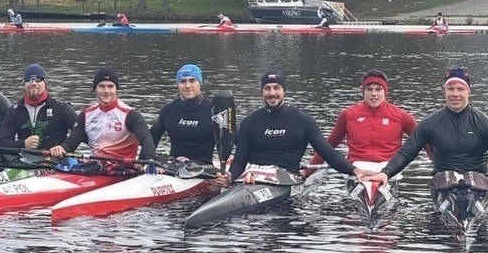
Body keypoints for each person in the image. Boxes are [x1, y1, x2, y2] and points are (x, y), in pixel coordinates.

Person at [361, 67, 488, 215]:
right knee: (448, 179)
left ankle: (466, 211)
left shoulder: (484, 123)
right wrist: (385, 173)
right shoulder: (431, 123)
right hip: (444, 182)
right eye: (451, 89)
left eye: (460, 89)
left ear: (469, 92)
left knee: (471, 181)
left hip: (476, 181)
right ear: (444, 91)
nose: (455, 94)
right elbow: (407, 152)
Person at [221, 71, 368, 185]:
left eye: (277, 88)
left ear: (284, 91)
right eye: (267, 89)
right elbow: (239, 162)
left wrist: (354, 171)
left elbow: (329, 155)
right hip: (253, 177)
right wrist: (230, 177)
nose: (272, 93)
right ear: (262, 92)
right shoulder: (250, 122)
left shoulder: (303, 121)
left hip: (287, 177)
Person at [308, 69, 418, 169]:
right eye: (369, 89)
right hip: (356, 167)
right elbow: (328, 146)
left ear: (385, 92)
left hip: (388, 168)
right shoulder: (348, 115)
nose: (374, 94)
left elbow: (423, 140)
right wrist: (307, 172)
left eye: (378, 89)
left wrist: (435, 162)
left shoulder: (401, 116)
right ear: (363, 92)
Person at [49, 67, 156, 161]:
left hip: (125, 168)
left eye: (110, 86)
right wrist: (61, 148)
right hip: (96, 166)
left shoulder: (130, 115)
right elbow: (72, 142)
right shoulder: (85, 115)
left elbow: (146, 138)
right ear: (95, 88)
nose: (106, 90)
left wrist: (150, 159)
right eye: (102, 86)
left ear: (116, 89)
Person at [0, 63, 76, 149]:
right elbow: (1, 142)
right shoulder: (14, 111)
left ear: (45, 83)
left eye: (38, 79)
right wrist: (23, 144)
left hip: (55, 158)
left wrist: (64, 147)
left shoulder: (62, 109)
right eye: (29, 79)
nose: (33, 83)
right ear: (23, 84)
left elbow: (80, 134)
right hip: (25, 158)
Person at [150, 64, 216, 164]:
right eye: (183, 81)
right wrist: (144, 162)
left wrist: (231, 173)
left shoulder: (214, 111)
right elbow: (152, 137)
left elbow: (239, 141)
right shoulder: (168, 109)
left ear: (200, 83)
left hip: (204, 170)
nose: (187, 86)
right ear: (178, 85)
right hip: (174, 167)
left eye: (192, 81)